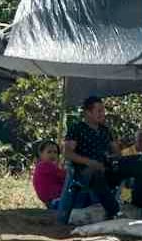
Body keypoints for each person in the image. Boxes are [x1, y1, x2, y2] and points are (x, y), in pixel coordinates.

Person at [58, 96, 119, 224]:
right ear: (88, 113)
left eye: (103, 110)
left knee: (131, 165)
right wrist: (89, 162)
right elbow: (68, 153)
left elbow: (116, 152)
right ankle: (115, 211)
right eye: (99, 111)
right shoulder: (77, 128)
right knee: (96, 173)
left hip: (105, 168)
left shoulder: (105, 130)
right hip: (83, 171)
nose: (103, 114)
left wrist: (113, 158)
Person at [32, 140, 66, 210]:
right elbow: (65, 176)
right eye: (49, 152)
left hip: (52, 200)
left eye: (55, 152)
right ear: (41, 154)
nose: (52, 155)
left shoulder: (43, 166)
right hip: (54, 200)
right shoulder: (45, 165)